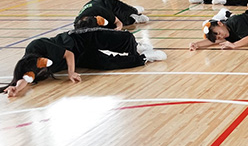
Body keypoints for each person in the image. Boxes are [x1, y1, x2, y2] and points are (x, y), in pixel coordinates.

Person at [2, 27, 166, 98]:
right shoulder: (28, 67)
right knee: (106, 63)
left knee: (119, 38)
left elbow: (69, 54)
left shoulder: (36, 46)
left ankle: (137, 47)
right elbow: (26, 78)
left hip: (78, 41)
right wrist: (15, 88)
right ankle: (145, 57)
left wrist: (71, 72)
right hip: (81, 57)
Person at [73, 0, 149, 30]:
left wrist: (118, 28)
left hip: (108, 4)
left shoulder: (100, 11)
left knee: (126, 20)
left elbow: (118, 22)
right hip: (100, 9)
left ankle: (134, 14)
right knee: (110, 27)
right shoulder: (78, 23)